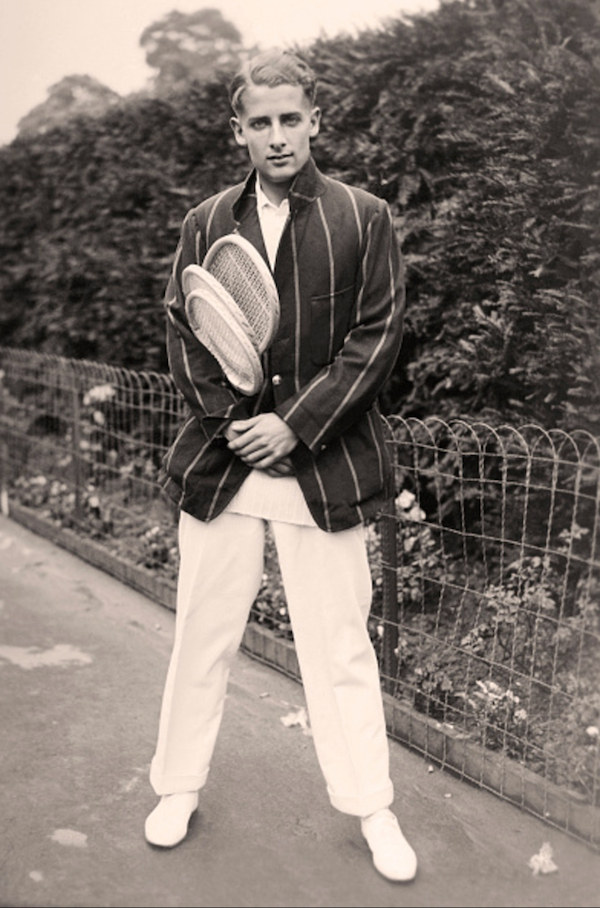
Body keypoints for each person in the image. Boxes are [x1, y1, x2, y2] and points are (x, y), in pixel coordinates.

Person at [144, 47, 417, 883]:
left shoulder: (364, 216)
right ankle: (177, 786)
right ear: (238, 132)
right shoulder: (203, 223)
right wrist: (240, 424)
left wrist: (292, 428)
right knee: (202, 635)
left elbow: (378, 339)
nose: (277, 136)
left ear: (315, 122)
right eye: (259, 123)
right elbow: (184, 333)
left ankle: (373, 809)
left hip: (321, 465)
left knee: (339, 648)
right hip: (225, 465)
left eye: (290, 119)